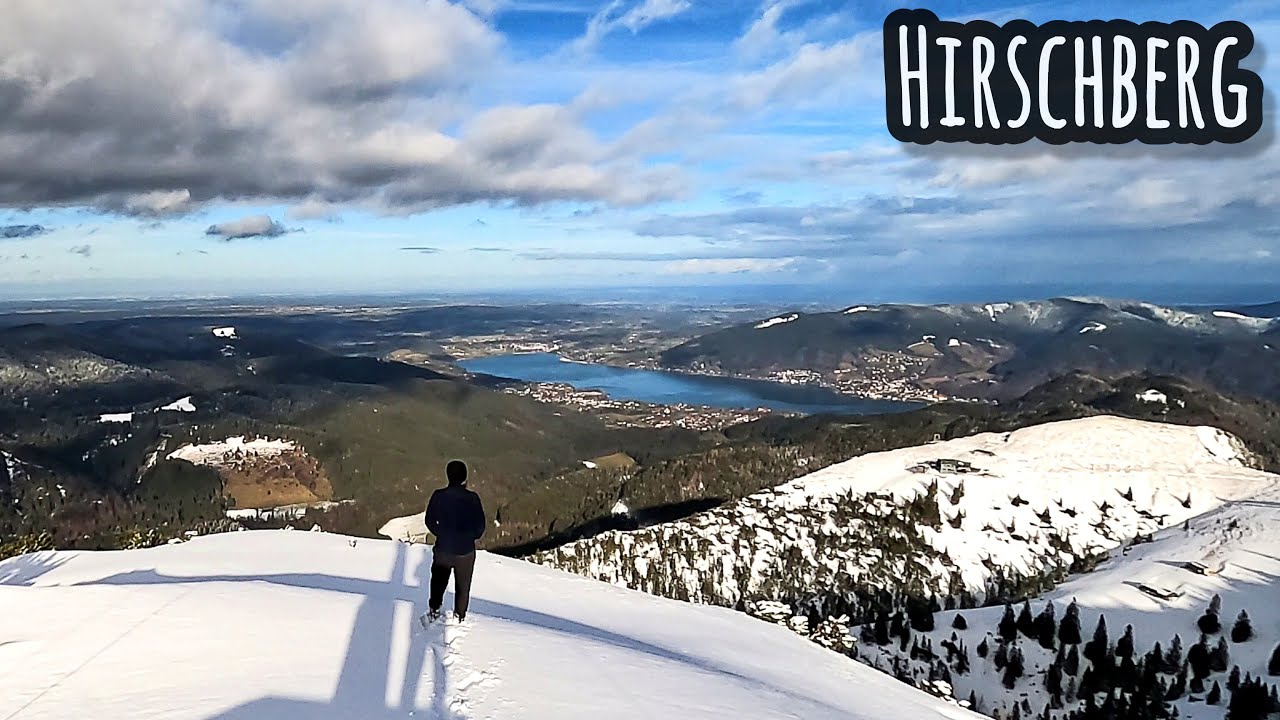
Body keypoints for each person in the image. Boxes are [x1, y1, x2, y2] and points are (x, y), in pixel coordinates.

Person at [424, 459, 486, 622]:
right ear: (465, 477)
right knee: (463, 587)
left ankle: (434, 610)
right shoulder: (473, 498)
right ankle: (460, 615)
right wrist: (468, 537)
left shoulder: (438, 496)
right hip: (465, 551)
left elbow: (429, 521)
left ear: (448, 476)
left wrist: (441, 533)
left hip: (443, 548)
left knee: (438, 582)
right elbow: (480, 527)